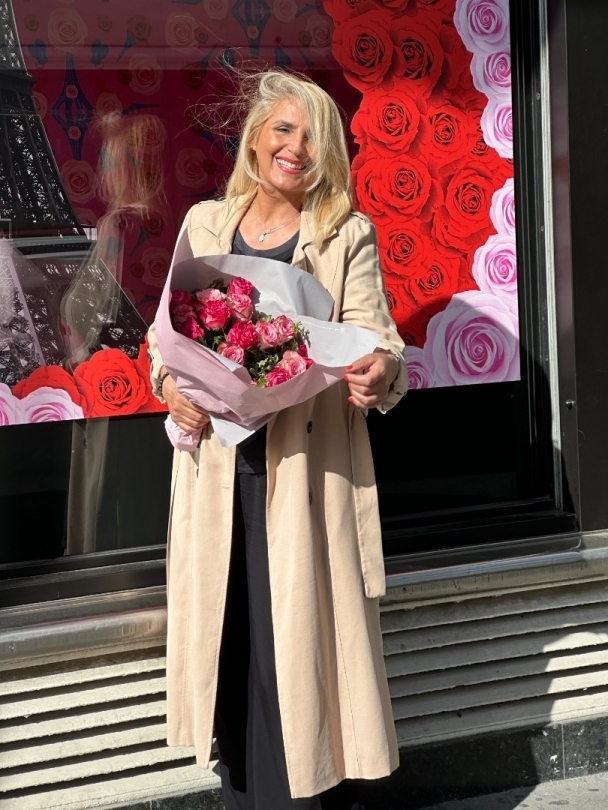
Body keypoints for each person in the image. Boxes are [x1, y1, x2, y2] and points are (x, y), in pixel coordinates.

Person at [147, 70, 408, 809]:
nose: (296, 148)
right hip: (217, 470)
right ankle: (241, 794)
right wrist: (171, 387)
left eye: (314, 137)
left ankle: (298, 799)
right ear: (256, 138)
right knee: (229, 640)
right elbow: (163, 338)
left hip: (301, 472)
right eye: (283, 129)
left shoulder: (346, 233)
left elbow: (380, 340)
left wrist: (379, 372)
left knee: (291, 650)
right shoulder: (205, 222)